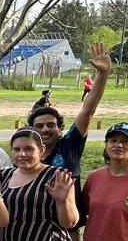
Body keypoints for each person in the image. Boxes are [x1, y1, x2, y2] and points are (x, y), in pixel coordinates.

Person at [27, 42, 112, 182]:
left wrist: (103, 75)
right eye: (39, 126)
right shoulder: (25, 153)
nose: (45, 129)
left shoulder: (69, 146)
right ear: (32, 130)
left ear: (60, 129)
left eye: (51, 125)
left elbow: (87, 111)